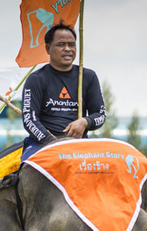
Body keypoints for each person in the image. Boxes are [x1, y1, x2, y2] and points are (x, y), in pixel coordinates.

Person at [21, 21, 106, 161]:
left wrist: (85, 122)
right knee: (25, 175)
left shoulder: (87, 77)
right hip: (42, 144)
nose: (67, 49)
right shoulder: (36, 79)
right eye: (61, 44)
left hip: (80, 145)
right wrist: (53, 143)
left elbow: (100, 115)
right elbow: (29, 120)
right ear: (48, 48)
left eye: (71, 44)